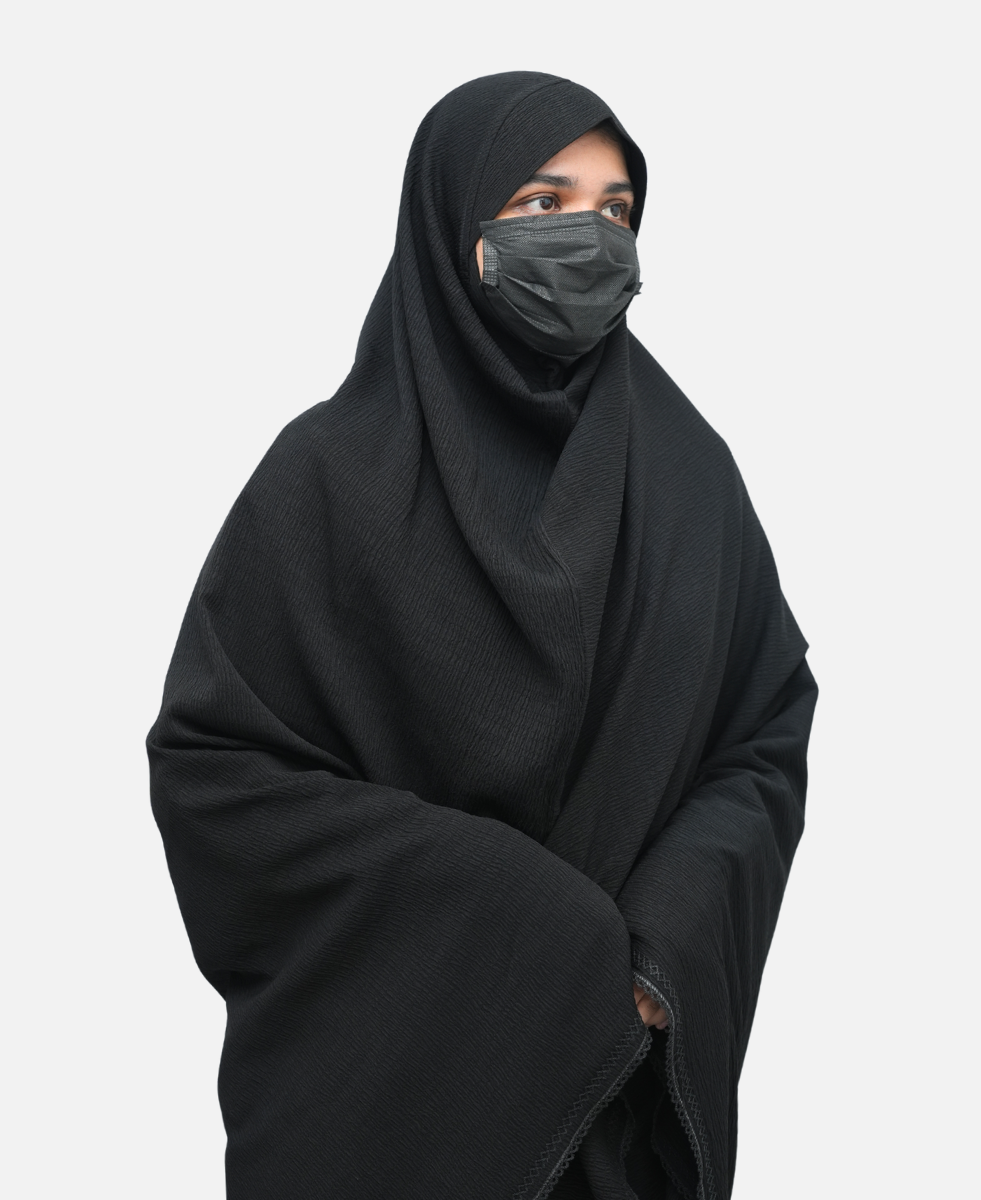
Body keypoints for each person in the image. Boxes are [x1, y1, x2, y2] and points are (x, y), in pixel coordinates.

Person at [147, 71, 817, 1200]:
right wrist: (539, 931)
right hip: (391, 1105)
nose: (589, 239)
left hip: (619, 1107)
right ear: (449, 219)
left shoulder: (689, 478)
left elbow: (763, 728)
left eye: (615, 211)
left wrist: (662, 946)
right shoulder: (329, 481)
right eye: (544, 202)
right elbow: (219, 771)